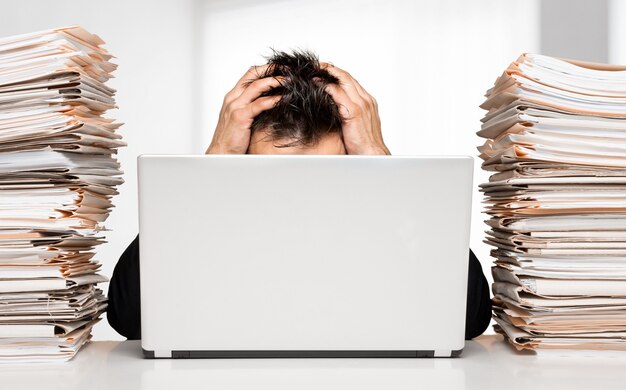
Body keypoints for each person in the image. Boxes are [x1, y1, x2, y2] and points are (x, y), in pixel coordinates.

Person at [107, 50, 492, 341]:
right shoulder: (210, 221)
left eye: (324, 175)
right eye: (270, 177)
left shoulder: (383, 218)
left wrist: (379, 162)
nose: (296, 201)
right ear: (240, 160)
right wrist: (214, 161)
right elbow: (128, 316)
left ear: (351, 159)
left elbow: (470, 318)